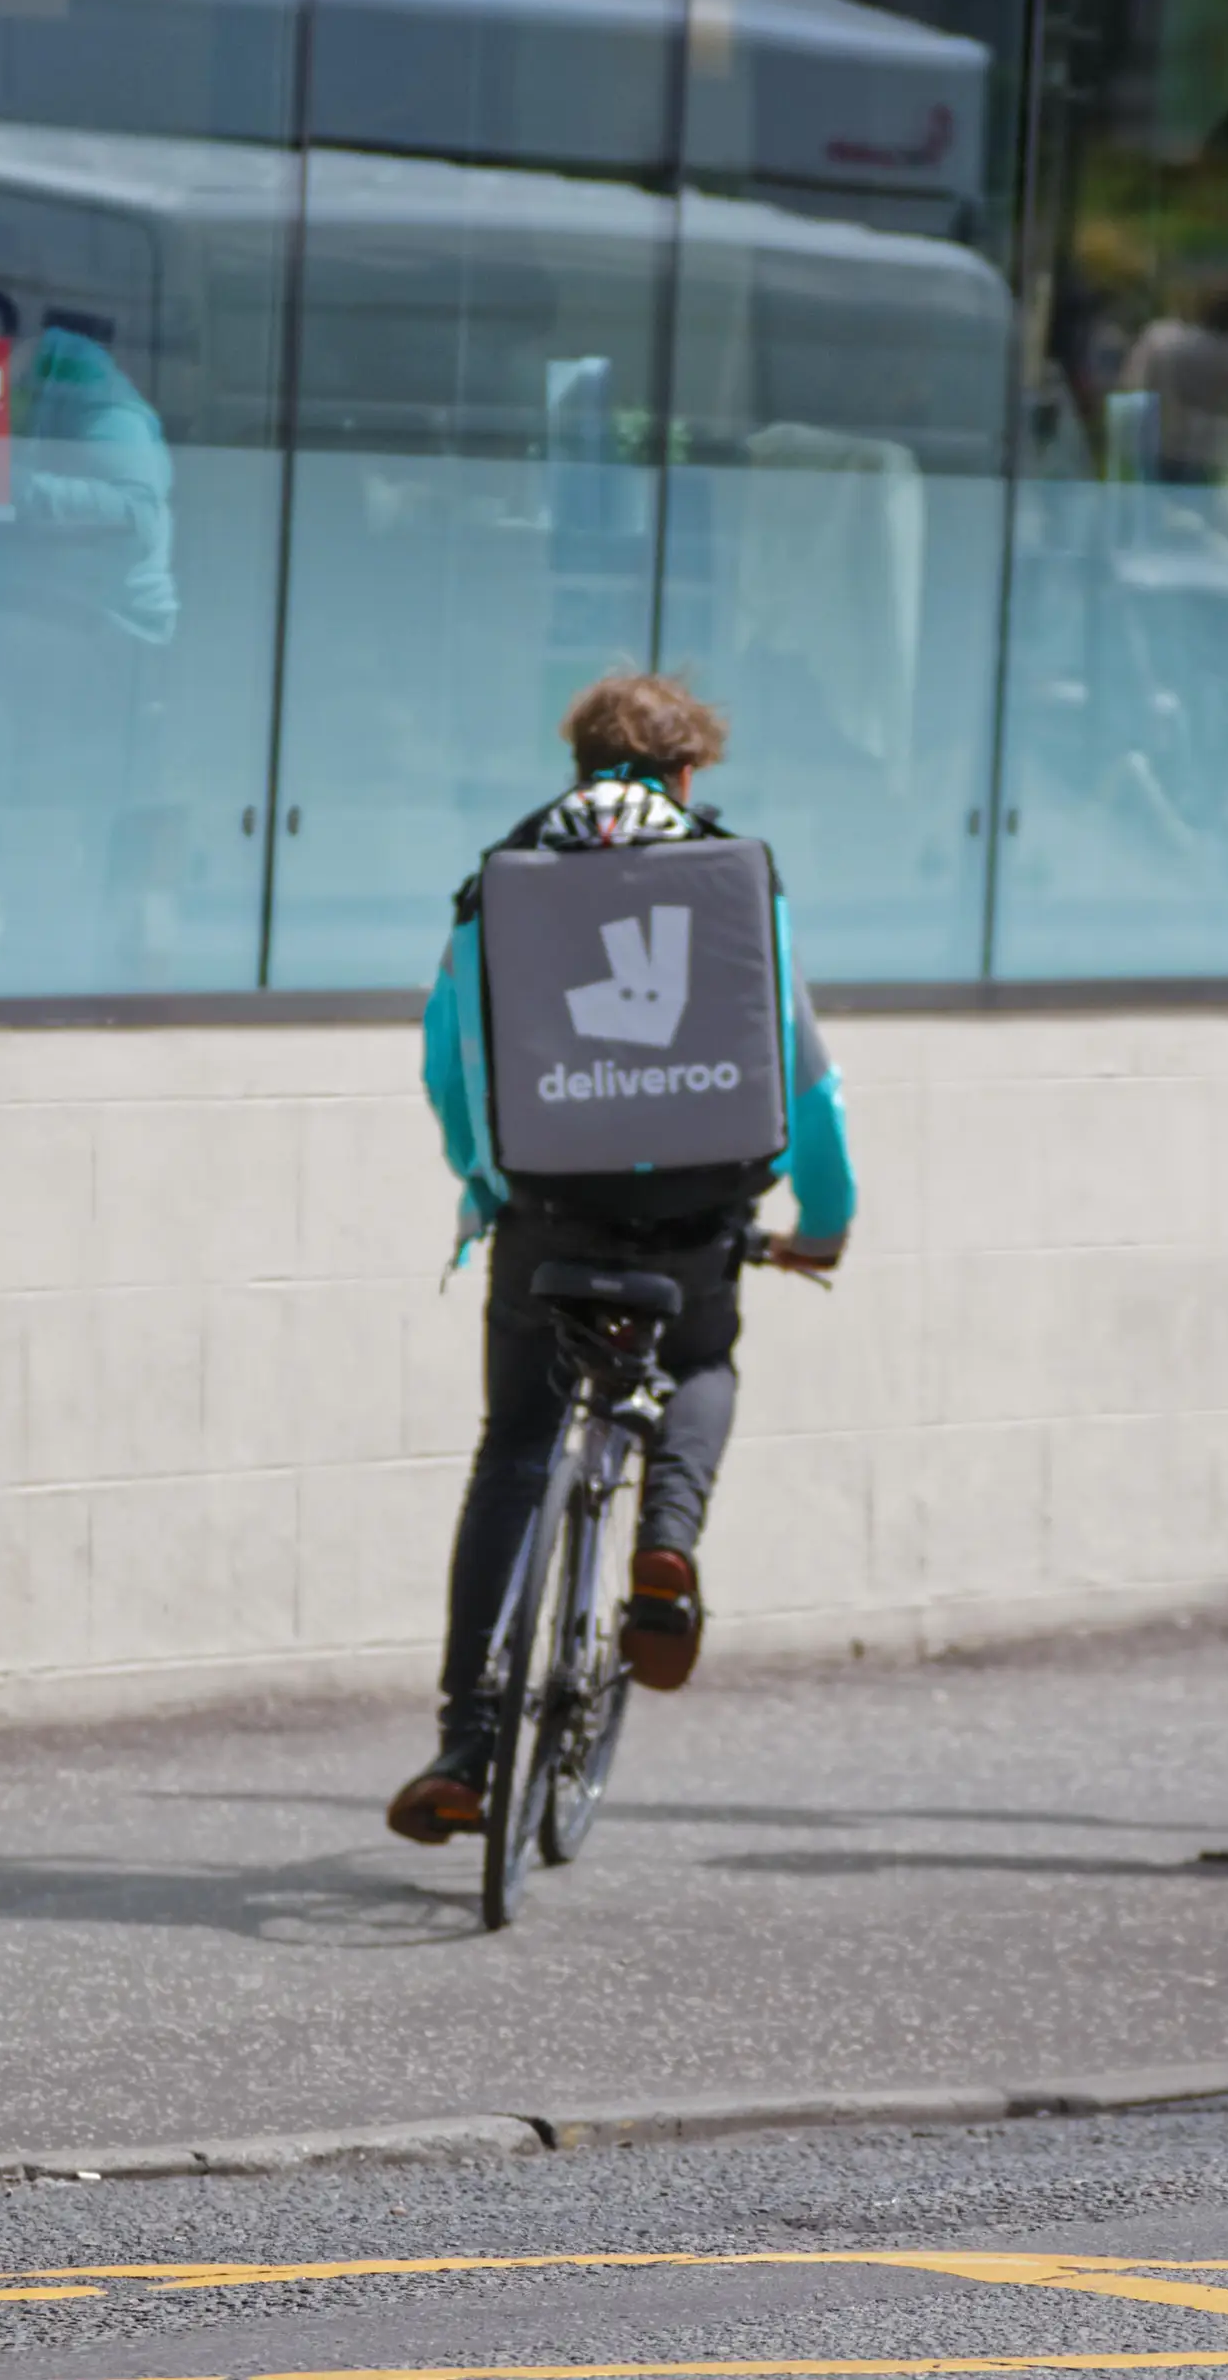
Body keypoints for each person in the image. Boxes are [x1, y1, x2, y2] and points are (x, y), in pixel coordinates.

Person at [386, 671, 858, 1846]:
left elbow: (446, 1063)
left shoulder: (503, 876)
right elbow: (803, 1074)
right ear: (688, 771)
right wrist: (825, 1217)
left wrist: (486, 1184)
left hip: (550, 1213)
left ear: (579, 763)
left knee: (516, 1446)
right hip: (698, 1216)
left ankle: (469, 1740)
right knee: (700, 1361)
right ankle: (665, 1543)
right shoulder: (732, 876)